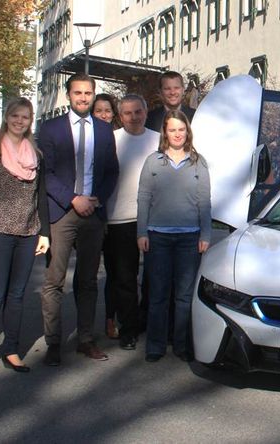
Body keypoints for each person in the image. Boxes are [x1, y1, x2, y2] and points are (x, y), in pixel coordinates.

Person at [39, 73, 120, 366]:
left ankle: (86, 339)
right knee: (54, 281)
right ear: (68, 95)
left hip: (93, 214)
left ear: (93, 94)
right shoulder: (51, 129)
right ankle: (53, 343)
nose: (83, 98)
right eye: (78, 93)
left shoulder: (103, 129)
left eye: (88, 93)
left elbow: (112, 171)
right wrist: (73, 199)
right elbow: (44, 173)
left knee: (87, 281)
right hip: (62, 212)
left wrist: (96, 198)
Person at [0, 98, 50, 377]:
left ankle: (11, 349)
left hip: (28, 232)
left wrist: (45, 233)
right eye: (15, 116)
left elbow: (40, 195)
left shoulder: (36, 155)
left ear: (31, 121)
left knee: (17, 296)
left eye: (25, 117)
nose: (20, 121)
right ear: (7, 118)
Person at [137, 110, 211, 363]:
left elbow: (205, 201)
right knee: (158, 294)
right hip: (158, 236)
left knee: (184, 295)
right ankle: (155, 345)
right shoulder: (153, 161)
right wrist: (141, 231)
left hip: (189, 238)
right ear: (165, 132)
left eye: (181, 129)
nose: (177, 134)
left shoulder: (197, 162)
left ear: (187, 131)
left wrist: (206, 233)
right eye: (172, 130)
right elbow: (144, 198)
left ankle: (181, 344)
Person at [104, 94, 160, 351]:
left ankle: (148, 321)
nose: (134, 117)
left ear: (146, 112)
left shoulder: (158, 141)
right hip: (119, 218)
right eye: (128, 113)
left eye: (138, 112)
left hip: (154, 218)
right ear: (120, 116)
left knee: (153, 276)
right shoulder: (111, 140)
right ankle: (128, 328)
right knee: (125, 278)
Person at [92, 92, 121, 340]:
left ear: (114, 114)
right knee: (88, 273)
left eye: (107, 110)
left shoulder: (120, 139)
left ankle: (111, 319)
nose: (103, 114)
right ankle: (86, 326)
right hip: (93, 215)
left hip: (119, 217)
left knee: (116, 273)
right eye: (98, 110)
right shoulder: (88, 140)